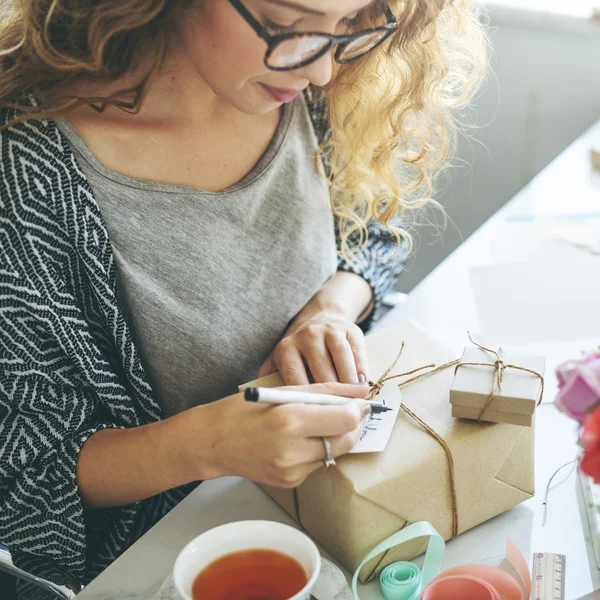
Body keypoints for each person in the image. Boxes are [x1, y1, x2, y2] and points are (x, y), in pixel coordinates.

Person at [0, 0, 486, 597]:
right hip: (185, 560)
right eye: (287, 25)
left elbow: (373, 241)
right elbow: (26, 474)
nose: (324, 69)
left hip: (342, 520)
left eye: (349, 26)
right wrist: (209, 444)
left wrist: (330, 307)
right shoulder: (24, 176)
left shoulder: (301, 91)